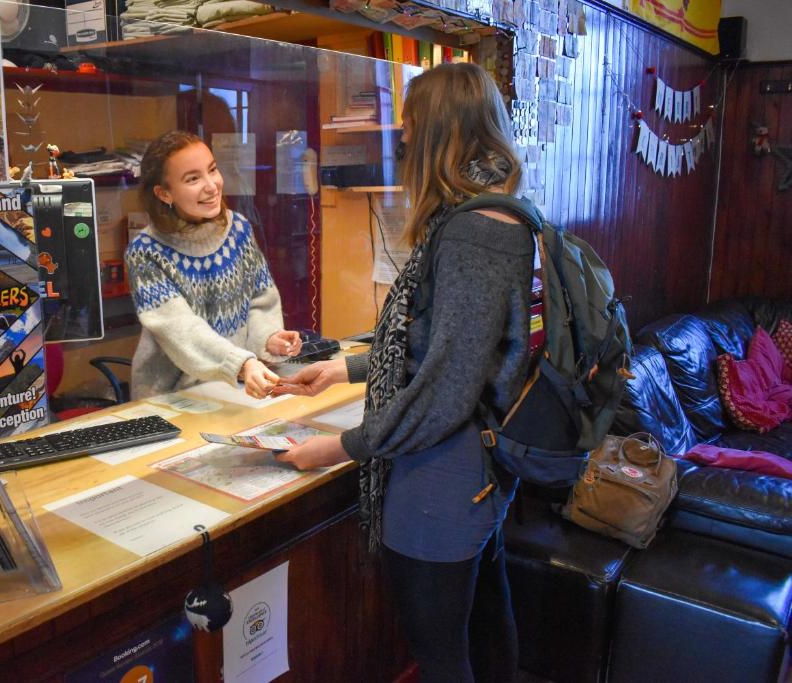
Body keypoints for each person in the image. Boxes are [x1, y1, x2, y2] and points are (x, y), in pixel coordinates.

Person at [273, 63, 532, 683]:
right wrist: (345, 370)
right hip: (474, 469)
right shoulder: (494, 214)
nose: (404, 140)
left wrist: (339, 448)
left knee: (442, 654)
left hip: (443, 478)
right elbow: (445, 348)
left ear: (441, 132)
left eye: (412, 126)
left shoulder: (474, 233)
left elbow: (445, 389)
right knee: (486, 627)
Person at [124, 130, 302, 399]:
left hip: (234, 388)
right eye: (193, 178)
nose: (211, 185)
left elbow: (260, 301)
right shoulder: (146, 252)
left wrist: (268, 338)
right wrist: (241, 363)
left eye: (212, 170)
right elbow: (180, 329)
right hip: (169, 397)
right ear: (163, 193)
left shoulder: (238, 229)